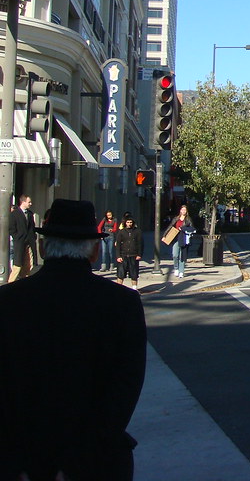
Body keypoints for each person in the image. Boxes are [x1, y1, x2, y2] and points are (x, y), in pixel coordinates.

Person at [0, 198, 146, 481]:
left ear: (43, 247)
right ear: (93, 252)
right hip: (95, 459)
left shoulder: (8, 302)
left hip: (20, 459)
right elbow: (125, 389)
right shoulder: (122, 304)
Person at [9, 194, 36, 281]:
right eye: (29, 202)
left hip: (29, 243)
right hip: (20, 242)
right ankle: (11, 282)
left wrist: (33, 237)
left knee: (29, 264)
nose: (30, 204)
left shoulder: (30, 214)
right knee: (17, 265)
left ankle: (25, 281)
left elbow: (32, 228)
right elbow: (11, 228)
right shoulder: (15, 214)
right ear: (23, 202)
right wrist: (17, 237)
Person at [115, 212, 143, 290]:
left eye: (131, 222)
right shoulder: (121, 232)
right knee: (120, 274)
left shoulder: (138, 231)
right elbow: (118, 245)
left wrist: (139, 254)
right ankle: (118, 290)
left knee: (134, 274)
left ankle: (134, 289)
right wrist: (118, 256)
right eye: (128, 222)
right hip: (123, 256)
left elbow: (140, 244)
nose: (129, 224)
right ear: (125, 223)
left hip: (133, 256)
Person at [166, 204, 193, 279]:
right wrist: (165, 236)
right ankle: (176, 268)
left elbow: (192, 229)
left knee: (182, 256)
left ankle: (181, 271)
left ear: (186, 211)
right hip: (176, 238)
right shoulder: (176, 218)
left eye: (185, 210)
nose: (183, 211)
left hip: (184, 238)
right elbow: (170, 226)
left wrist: (184, 229)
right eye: (182, 209)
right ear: (180, 210)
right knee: (175, 255)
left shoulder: (188, 219)